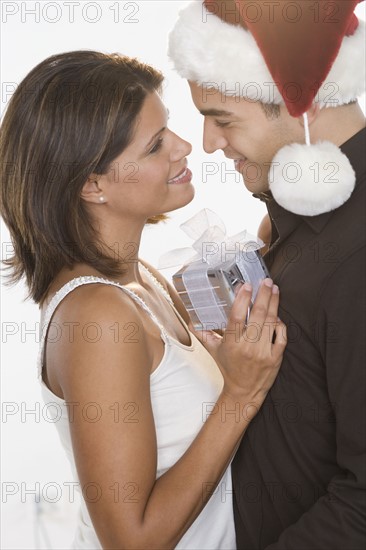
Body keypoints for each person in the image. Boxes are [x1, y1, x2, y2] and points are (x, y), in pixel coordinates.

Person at [0, 50, 287, 549]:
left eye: (168, 128)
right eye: (155, 147)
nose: (183, 147)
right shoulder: (98, 316)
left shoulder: (144, 282)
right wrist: (240, 396)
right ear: (92, 184)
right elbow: (132, 541)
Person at [168, 0, 366, 548]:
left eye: (223, 118)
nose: (208, 142)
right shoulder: (288, 223)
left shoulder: (356, 256)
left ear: (299, 105)